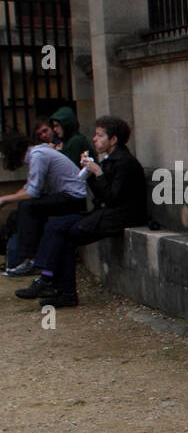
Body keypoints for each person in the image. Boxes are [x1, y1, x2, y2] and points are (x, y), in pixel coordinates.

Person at [14, 115, 147, 308]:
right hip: (107, 213)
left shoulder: (124, 162)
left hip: (121, 215)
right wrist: (88, 171)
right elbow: (102, 195)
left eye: (100, 135)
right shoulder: (111, 159)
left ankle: (53, 284)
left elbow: (113, 198)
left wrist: (97, 173)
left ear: (113, 140)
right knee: (55, 225)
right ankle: (49, 280)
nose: (94, 139)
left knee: (68, 234)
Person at [0, 128, 88, 275]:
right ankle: (22, 258)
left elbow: (32, 193)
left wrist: (5, 199)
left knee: (28, 207)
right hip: (67, 195)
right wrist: (7, 199)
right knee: (20, 213)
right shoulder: (36, 154)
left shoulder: (38, 156)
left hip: (74, 197)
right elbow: (29, 188)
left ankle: (31, 259)